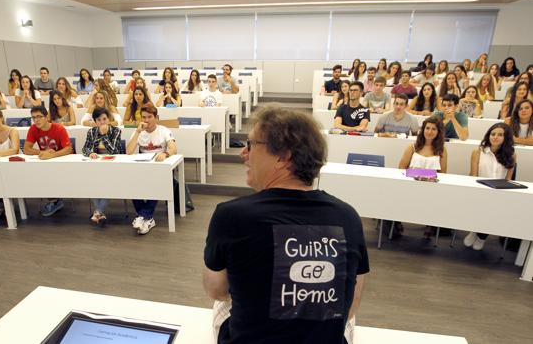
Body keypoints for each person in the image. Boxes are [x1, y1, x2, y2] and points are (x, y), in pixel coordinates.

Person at [203, 106, 369, 344]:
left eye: (251, 145)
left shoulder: (230, 215)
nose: (243, 155)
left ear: (283, 157)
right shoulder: (349, 217)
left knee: (222, 303)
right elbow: (351, 304)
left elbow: (216, 290)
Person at [463, 123, 516, 250]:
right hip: (480, 191)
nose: (495, 137)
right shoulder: (478, 152)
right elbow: (473, 175)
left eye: (500, 135)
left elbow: (508, 179)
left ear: (506, 138)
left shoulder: (512, 155)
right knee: (480, 209)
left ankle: (482, 237)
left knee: (492, 212)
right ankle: (475, 230)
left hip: (499, 193)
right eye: (493, 134)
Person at [126, 104, 177, 235]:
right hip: (142, 168)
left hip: (159, 168)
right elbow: (129, 152)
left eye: (149, 117)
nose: (146, 120)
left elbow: (173, 148)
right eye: (144, 117)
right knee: (130, 184)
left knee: (158, 182)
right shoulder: (138, 131)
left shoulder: (164, 130)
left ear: (156, 118)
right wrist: (137, 132)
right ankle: (147, 219)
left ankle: (142, 216)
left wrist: (165, 154)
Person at [398, 117, 447, 239]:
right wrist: (422, 174)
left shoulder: (442, 150)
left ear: (438, 132)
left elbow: (443, 173)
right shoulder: (413, 147)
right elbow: (401, 167)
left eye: (434, 129)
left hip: (431, 188)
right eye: (427, 128)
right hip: (410, 185)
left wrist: (424, 175)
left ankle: (430, 224)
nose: (430, 131)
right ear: (423, 130)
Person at [23, 105, 73, 217]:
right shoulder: (33, 129)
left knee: (49, 175)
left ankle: (55, 201)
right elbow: (26, 149)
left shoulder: (59, 128)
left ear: (46, 117)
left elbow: (68, 149)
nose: (36, 120)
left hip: (62, 161)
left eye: (39, 117)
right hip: (46, 161)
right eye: (34, 117)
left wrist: (52, 155)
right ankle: (55, 200)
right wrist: (42, 152)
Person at [82, 107, 124, 225]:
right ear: (95, 122)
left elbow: (114, 151)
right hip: (97, 165)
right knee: (91, 183)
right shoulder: (91, 131)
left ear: (109, 119)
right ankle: (99, 213)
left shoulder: (116, 131)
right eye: (99, 120)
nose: (102, 122)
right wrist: (90, 153)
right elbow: (85, 148)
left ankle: (98, 211)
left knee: (108, 184)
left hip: (114, 164)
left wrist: (104, 135)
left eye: (104, 119)